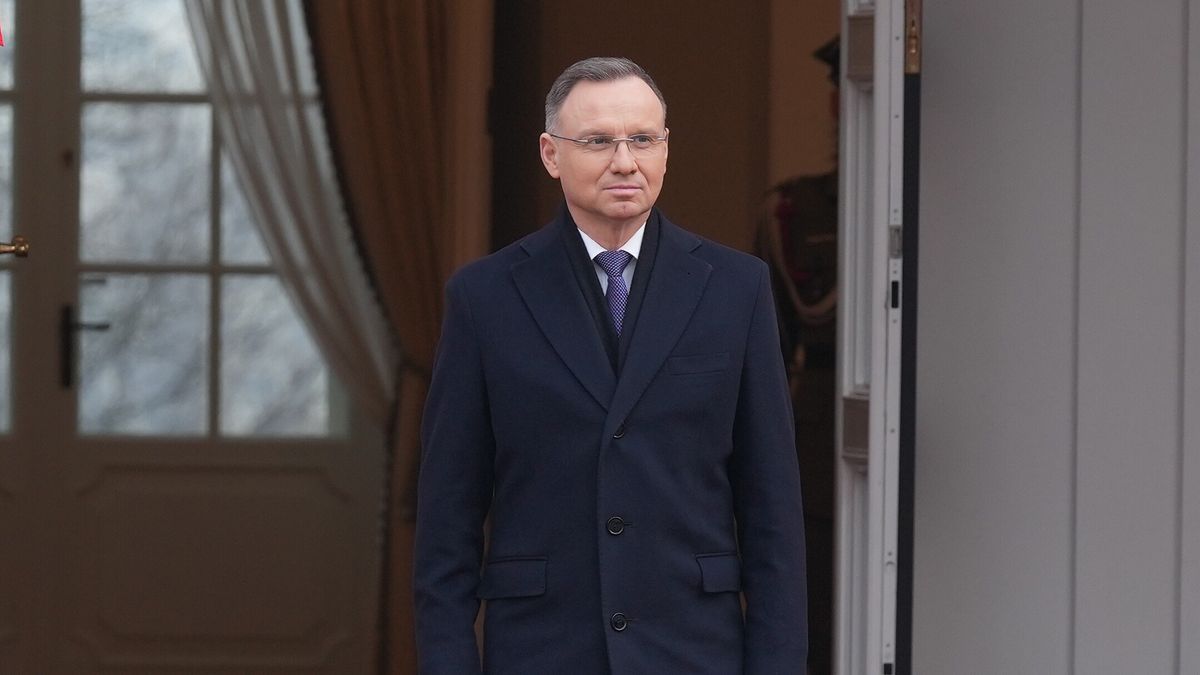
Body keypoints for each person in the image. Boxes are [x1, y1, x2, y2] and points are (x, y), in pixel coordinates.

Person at [414, 56, 807, 674]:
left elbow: (772, 511)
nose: (625, 162)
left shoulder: (737, 288)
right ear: (550, 154)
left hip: (694, 649)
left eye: (642, 140)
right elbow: (448, 518)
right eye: (598, 141)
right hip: (542, 650)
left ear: (666, 149)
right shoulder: (484, 298)